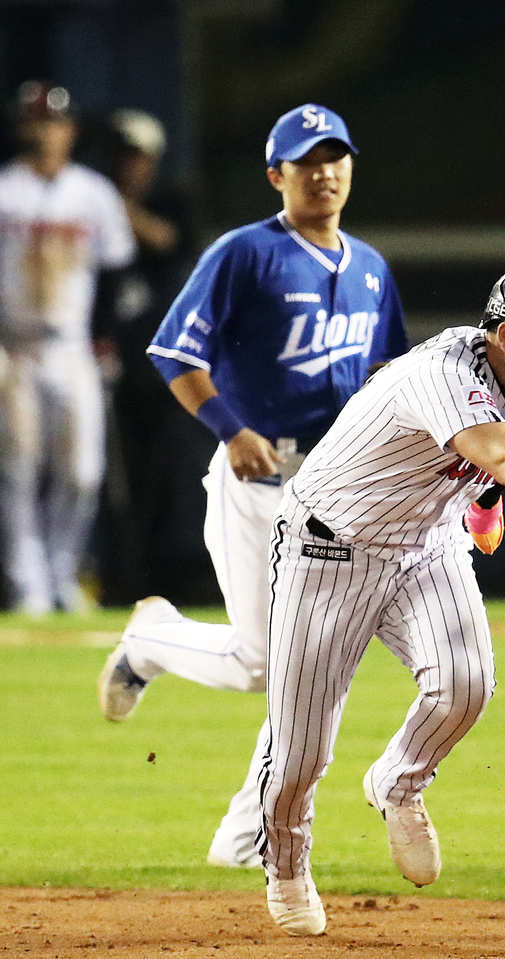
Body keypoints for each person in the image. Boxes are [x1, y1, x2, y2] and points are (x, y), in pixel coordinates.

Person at [257, 265, 505, 936]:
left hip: (426, 546)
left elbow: (489, 467)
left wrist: (484, 508)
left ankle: (397, 783)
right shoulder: (440, 370)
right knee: (300, 750)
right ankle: (288, 867)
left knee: (467, 683)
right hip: (329, 548)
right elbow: (497, 451)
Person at [94, 104, 408, 873]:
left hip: (342, 491)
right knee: (270, 664)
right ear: (278, 175)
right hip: (261, 478)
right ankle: (152, 638)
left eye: (336, 157)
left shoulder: (369, 267)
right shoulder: (245, 253)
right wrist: (230, 428)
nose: (324, 172)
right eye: (307, 161)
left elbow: (396, 380)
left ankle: (247, 834)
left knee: (302, 668)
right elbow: (173, 351)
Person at [0, 81, 135, 613]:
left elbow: (118, 274)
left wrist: (107, 341)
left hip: (73, 344)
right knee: (18, 465)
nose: (44, 131)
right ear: (20, 127)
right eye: (34, 121)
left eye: (53, 121)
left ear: (69, 129)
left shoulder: (92, 193)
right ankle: (26, 580)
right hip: (12, 346)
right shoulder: (4, 188)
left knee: (82, 471)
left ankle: (61, 572)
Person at [94, 108, 203, 604]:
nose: (128, 165)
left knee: (164, 479)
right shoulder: (90, 204)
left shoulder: (172, 199)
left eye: (135, 155)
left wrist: (107, 204)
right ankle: (114, 578)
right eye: (120, 155)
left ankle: (159, 580)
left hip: (161, 369)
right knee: (108, 482)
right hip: (105, 358)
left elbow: (170, 239)